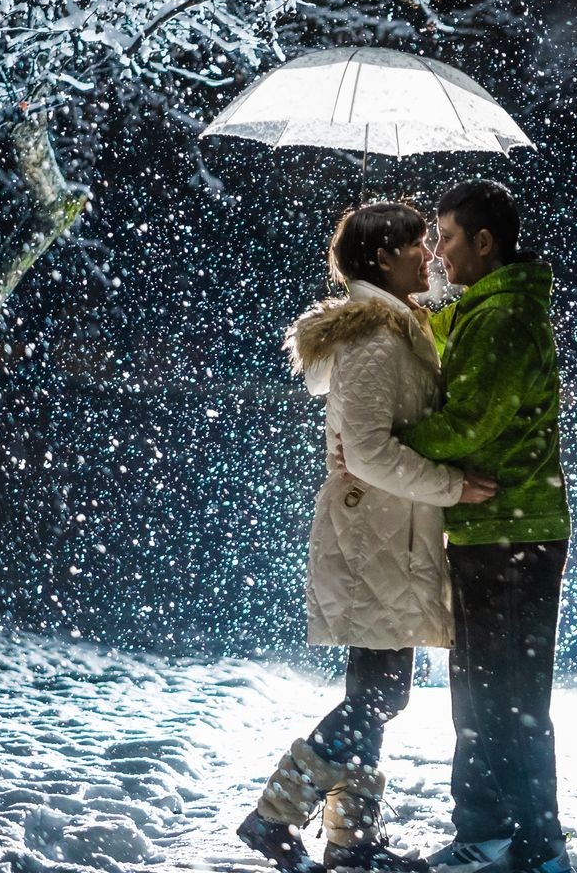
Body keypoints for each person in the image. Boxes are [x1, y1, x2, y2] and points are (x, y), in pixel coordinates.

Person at [238, 202, 497, 873]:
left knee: (373, 693)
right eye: (416, 246)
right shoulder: (375, 339)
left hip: (386, 537)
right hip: (373, 540)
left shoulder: (393, 328)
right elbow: (370, 451)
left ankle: (350, 841)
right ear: (382, 258)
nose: (429, 256)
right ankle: (274, 815)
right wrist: (451, 484)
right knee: (381, 695)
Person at [403, 181, 572, 873]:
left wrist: (387, 439)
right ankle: (509, 833)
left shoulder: (502, 318)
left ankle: (518, 840)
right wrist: (426, 315)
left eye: (444, 238)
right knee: (491, 690)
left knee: (501, 695)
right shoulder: (493, 310)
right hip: (500, 530)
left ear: (483, 242)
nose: (436, 253)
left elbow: (470, 422)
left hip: (509, 533)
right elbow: (466, 361)